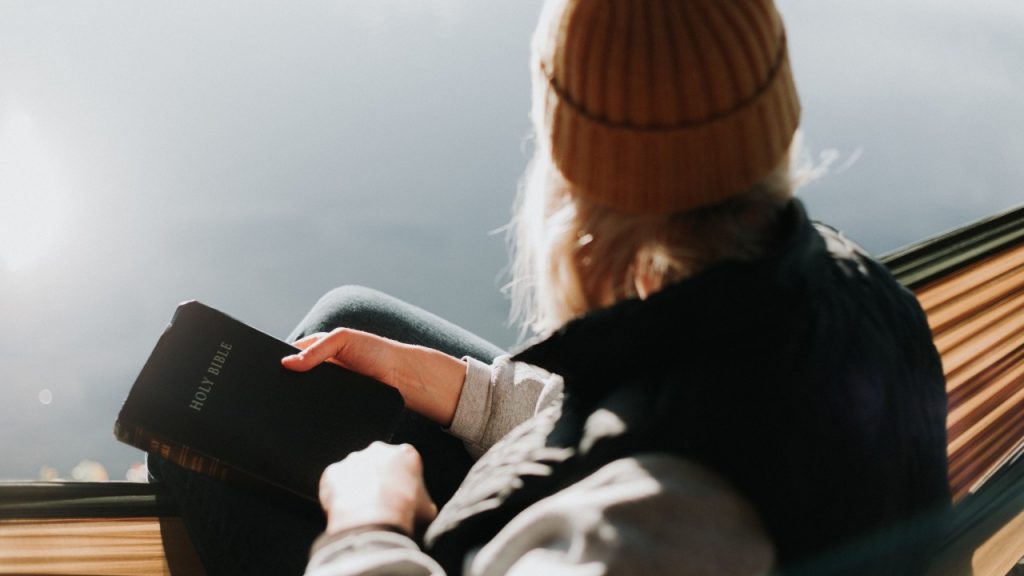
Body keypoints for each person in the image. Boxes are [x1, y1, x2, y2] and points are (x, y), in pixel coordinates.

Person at [152, 0, 951, 574]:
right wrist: (468, 392)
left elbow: (661, 461)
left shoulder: (658, 527)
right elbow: (673, 400)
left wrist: (367, 525)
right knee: (348, 322)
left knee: (194, 446)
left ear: (574, 178)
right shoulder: (854, 291)